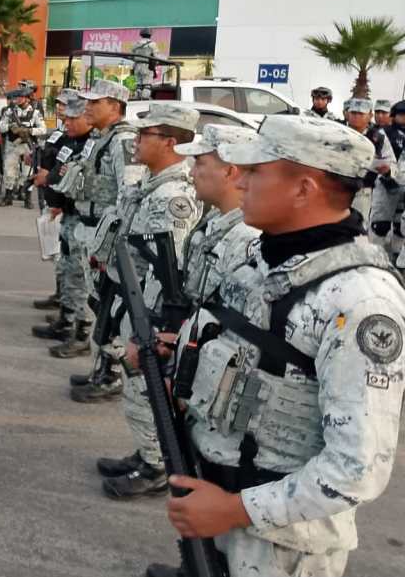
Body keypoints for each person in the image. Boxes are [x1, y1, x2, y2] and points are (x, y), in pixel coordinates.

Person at [146, 115, 405, 577]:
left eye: (255, 171)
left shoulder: (360, 301)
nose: (239, 181)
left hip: (278, 545)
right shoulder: (261, 257)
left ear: (303, 189)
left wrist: (235, 510)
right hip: (214, 497)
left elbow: (356, 468)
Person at [101, 123, 259, 501]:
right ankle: (151, 458)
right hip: (183, 340)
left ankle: (156, 466)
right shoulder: (216, 223)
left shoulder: (247, 239)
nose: (191, 169)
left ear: (231, 171)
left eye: (201, 161)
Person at [79, 102, 202, 413]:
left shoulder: (174, 196)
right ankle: (145, 454)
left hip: (146, 308)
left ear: (171, 142)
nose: (136, 140)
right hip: (126, 294)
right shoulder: (149, 184)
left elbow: (168, 269)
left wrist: (150, 323)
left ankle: (152, 460)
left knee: (144, 395)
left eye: (146, 134)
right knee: (134, 390)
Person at [58, 79, 145, 400]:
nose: (88, 107)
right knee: (98, 305)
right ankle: (102, 368)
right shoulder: (102, 138)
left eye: (97, 102)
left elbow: (130, 195)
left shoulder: (123, 142)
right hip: (89, 227)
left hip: (107, 238)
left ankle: (111, 375)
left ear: (116, 106)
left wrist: (113, 245)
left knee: (108, 308)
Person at [32, 91, 95, 355]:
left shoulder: (91, 144)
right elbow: (59, 169)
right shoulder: (72, 140)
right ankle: (66, 320)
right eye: (65, 116)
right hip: (67, 214)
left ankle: (80, 334)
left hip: (83, 220)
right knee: (69, 271)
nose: (66, 121)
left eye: (72, 117)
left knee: (81, 279)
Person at [344, 98, 394, 223]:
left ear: (369, 115)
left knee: (358, 227)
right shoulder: (338, 132)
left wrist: (387, 171)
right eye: (353, 113)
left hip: (363, 191)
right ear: (347, 113)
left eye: (361, 114)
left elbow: (390, 162)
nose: (356, 117)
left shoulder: (378, 137)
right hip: (336, 187)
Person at [0, 87, 46, 208]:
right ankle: (8, 197)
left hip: (27, 147)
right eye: (16, 97)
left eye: (20, 97)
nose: (17, 99)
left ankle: (27, 198)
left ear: (27, 99)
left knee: (27, 173)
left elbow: (43, 129)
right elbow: (0, 127)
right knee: (9, 171)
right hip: (13, 146)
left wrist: (29, 130)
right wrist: (10, 126)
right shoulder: (10, 112)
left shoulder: (35, 113)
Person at [131, 28, 159, 100]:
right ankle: (145, 100)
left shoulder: (136, 44)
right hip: (147, 66)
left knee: (138, 85)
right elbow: (156, 57)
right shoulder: (152, 44)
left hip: (137, 66)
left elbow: (132, 56)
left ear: (141, 35)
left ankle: (137, 98)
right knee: (147, 85)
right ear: (150, 35)